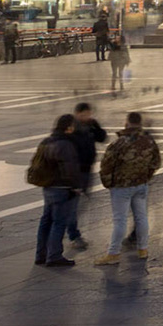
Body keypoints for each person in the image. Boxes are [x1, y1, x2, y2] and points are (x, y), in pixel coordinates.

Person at [94, 111, 160, 264]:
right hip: (141, 184)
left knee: (120, 220)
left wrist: (108, 183)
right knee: (141, 217)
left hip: (121, 186)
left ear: (127, 122)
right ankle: (143, 249)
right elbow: (155, 162)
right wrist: (146, 177)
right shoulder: (149, 141)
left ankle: (114, 253)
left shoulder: (119, 143)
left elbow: (106, 166)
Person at [30, 113, 85, 267]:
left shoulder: (46, 141)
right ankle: (54, 255)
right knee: (59, 222)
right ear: (69, 128)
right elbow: (70, 169)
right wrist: (76, 187)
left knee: (46, 221)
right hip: (62, 188)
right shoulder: (65, 144)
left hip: (48, 187)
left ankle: (41, 254)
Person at [63, 102, 108, 249]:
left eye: (88, 114)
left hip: (87, 170)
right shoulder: (71, 128)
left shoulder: (90, 126)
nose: (86, 117)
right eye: (83, 115)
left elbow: (102, 138)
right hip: (75, 172)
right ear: (77, 114)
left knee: (79, 204)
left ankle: (69, 228)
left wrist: (96, 127)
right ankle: (73, 235)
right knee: (73, 205)